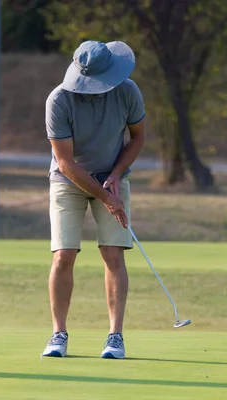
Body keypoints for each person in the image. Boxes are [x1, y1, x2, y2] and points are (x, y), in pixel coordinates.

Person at [41, 40, 146, 359]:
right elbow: (65, 163)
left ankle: (115, 337)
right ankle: (58, 333)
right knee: (64, 254)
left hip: (113, 178)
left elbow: (138, 136)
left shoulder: (128, 91)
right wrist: (104, 196)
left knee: (113, 254)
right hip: (68, 181)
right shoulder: (59, 101)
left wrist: (116, 173)